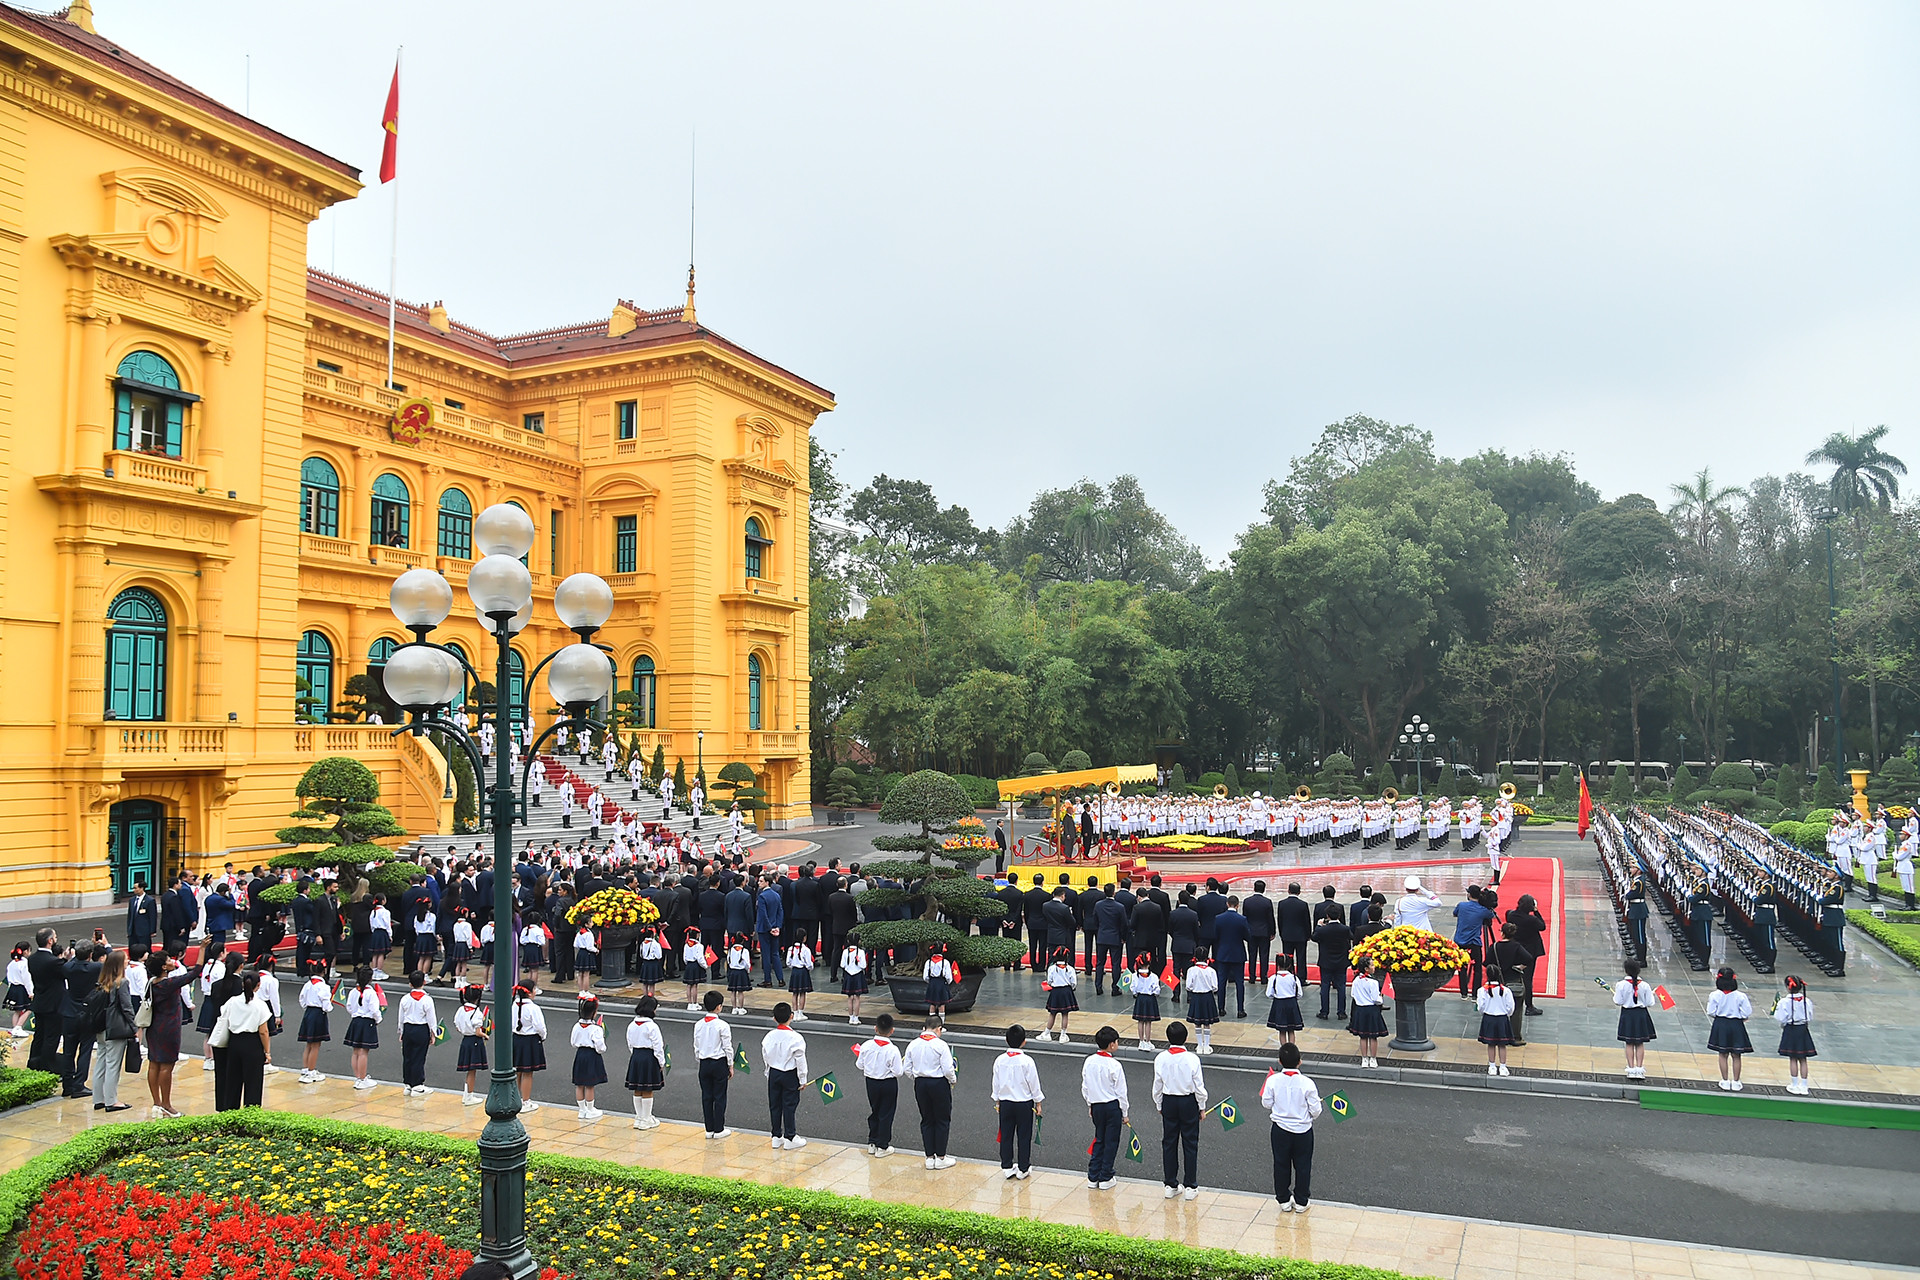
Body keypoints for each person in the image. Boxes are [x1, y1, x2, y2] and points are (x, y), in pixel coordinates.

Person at [1261, 1042, 1321, 1213]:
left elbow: (1266, 1103)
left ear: (1280, 1061)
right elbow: (1316, 1110)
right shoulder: (1307, 1083)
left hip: (1280, 1128)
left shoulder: (1272, 1080)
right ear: (1299, 1061)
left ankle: (1283, 1200)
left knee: (1281, 1163)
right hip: (1303, 1130)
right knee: (1303, 1165)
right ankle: (1302, 1201)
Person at [1151, 1021, 1206, 1200]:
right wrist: (1202, 1106)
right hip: (1188, 1101)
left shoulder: (1160, 1058)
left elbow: (1157, 1085)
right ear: (1186, 1038)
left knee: (1169, 1142)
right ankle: (1190, 1186)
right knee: (1190, 1143)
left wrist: (1159, 1104)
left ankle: (1170, 1184)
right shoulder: (1192, 1059)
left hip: (1169, 1100)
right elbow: (1199, 1086)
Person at [991, 1024, 1043, 1180]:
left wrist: (997, 1100)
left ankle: (1007, 1166)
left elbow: (996, 1082)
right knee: (1024, 1135)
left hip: (1006, 1102)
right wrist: (1038, 1102)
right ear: (1024, 1041)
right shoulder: (1027, 1061)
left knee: (1006, 1134)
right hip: (1024, 1103)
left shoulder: (1000, 1060)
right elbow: (1033, 1083)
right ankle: (1023, 1168)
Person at [1081, 1026, 1130, 1190]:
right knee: (1111, 1141)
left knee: (1099, 1139)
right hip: (1112, 1106)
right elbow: (1121, 1091)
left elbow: (1085, 1086)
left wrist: (1089, 1104)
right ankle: (1106, 1176)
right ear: (1111, 1044)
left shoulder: (1089, 1061)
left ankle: (1093, 1175)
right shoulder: (1114, 1065)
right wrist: (1125, 1112)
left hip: (1096, 1106)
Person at [904, 1017, 957, 1169]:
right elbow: (947, 1068)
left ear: (924, 1028)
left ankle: (929, 1157)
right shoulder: (941, 1045)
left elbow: (906, 1068)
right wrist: (952, 1080)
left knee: (926, 1119)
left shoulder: (913, 1044)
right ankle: (941, 1157)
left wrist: (917, 1077)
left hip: (920, 1083)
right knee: (942, 1119)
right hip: (938, 1083)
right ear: (939, 1028)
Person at [217, 969, 273, 1110]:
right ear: (258, 985)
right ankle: (250, 1118)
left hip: (234, 1042)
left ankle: (230, 1115)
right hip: (252, 1044)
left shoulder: (233, 1001)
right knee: (253, 1084)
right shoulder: (260, 1005)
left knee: (233, 1083)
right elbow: (263, 1031)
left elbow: (224, 1016)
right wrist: (267, 1052)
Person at [88, 951, 137, 1113]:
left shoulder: (102, 983)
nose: (127, 961)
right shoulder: (122, 983)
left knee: (101, 1063)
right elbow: (127, 1008)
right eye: (125, 959)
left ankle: (99, 1099)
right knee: (113, 1065)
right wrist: (134, 1028)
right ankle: (111, 1100)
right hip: (115, 1030)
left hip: (100, 1028)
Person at [855, 1012, 905, 1156]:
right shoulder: (893, 1049)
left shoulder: (866, 1045)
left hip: (871, 1082)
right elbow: (898, 1072)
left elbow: (859, 1065)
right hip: (888, 1083)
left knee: (875, 1110)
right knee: (886, 1113)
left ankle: (872, 1141)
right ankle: (882, 1146)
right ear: (892, 1030)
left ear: (875, 1028)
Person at [762, 1002, 808, 1149]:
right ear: (791, 1016)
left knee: (775, 1104)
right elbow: (800, 1059)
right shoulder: (796, 1038)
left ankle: (776, 1135)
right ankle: (790, 1136)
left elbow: (765, 1055)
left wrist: (768, 1070)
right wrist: (803, 1078)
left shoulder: (769, 1036)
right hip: (789, 1074)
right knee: (789, 1105)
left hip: (774, 1072)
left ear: (774, 1018)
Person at [692, 989, 735, 1139]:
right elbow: (727, 1046)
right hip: (719, 1062)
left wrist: (700, 1059)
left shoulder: (698, 1025)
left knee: (706, 1096)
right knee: (720, 1096)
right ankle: (719, 1128)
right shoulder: (722, 1025)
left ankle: (709, 1128)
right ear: (718, 1007)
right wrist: (730, 1064)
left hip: (704, 1063)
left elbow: (696, 1045)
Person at [1706, 967, 1753, 1091]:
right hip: (1736, 1025)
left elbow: (1711, 1011)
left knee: (1723, 1054)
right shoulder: (1741, 996)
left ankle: (1725, 1081)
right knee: (1736, 1055)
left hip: (1721, 1024)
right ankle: (1736, 1082)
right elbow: (1747, 1012)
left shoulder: (1715, 995)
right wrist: (1741, 1017)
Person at [1613, 959, 1657, 1080]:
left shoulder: (1620, 985)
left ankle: (1631, 1069)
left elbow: (1618, 1001)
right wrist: (1651, 995)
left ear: (1626, 970)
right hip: (1641, 1014)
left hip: (1627, 1014)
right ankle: (1639, 1069)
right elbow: (1650, 1003)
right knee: (1639, 1042)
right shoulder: (1645, 985)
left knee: (1629, 1042)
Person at [1504, 894, 1548, 1016]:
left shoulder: (1511, 915)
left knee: (1513, 976)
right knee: (1527, 979)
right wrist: (1537, 912)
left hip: (1516, 949)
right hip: (1530, 951)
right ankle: (1529, 1006)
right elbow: (1542, 926)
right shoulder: (1531, 920)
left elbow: (1508, 914)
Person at [1774, 975, 1817, 1095]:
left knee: (1793, 1058)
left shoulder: (1784, 1002)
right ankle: (1804, 1085)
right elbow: (1810, 1016)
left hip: (1791, 1029)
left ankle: (1794, 1084)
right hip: (1803, 1029)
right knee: (1803, 1059)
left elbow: (1781, 1018)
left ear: (1788, 987)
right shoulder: (1806, 1001)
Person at [396, 971, 436, 1097]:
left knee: (407, 1056)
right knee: (419, 1056)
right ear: (424, 982)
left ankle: (408, 1084)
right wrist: (433, 1033)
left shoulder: (405, 999)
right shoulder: (427, 999)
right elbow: (431, 1018)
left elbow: (400, 1017)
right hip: (421, 1029)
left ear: (410, 984)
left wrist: (401, 1031)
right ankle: (417, 1085)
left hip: (408, 1028)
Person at [342, 966, 382, 1091]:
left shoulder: (354, 991)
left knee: (355, 1051)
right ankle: (363, 1079)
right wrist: (378, 1019)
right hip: (367, 1021)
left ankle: (358, 1077)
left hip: (356, 1021)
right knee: (363, 1051)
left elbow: (349, 1007)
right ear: (370, 978)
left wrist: (355, 1014)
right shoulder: (371, 993)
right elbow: (375, 1010)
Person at [1452, 887, 1495, 999]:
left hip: (1460, 942)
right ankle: (1475, 994)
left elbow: (1455, 913)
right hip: (1474, 943)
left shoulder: (1461, 905)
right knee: (1478, 969)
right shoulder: (1483, 910)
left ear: (1469, 895)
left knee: (1462, 968)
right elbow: (1491, 915)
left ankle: (1464, 993)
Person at [510, 983, 548, 1110]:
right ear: (530, 992)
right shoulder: (534, 1008)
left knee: (518, 1071)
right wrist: (543, 1037)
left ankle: (515, 1099)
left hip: (516, 1038)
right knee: (527, 1073)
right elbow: (540, 1027)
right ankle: (526, 1102)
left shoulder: (514, 1005)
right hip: (530, 1040)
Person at [570, 993, 608, 1120]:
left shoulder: (576, 1026)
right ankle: (590, 1109)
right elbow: (600, 1047)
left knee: (579, 1083)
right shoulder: (596, 1029)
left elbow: (573, 1043)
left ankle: (582, 1110)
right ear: (594, 1012)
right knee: (590, 1084)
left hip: (580, 1054)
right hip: (592, 1056)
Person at [1213, 897, 1251, 1018]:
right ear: (1237, 905)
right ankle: (1240, 1009)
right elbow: (1248, 937)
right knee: (1239, 982)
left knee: (1221, 982)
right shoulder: (1242, 919)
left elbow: (1215, 936)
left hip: (1223, 954)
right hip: (1238, 954)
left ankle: (1221, 1008)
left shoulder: (1219, 918)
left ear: (1227, 904)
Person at [1476, 975, 1517, 1076]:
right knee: (1502, 1044)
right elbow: (1511, 1007)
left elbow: (1480, 1006)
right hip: (1502, 1019)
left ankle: (1492, 1067)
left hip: (1489, 1018)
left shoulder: (1482, 990)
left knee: (1491, 1043)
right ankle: (1503, 1067)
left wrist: (1485, 1013)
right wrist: (1506, 1014)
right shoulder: (1506, 990)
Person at [1348, 961, 1386, 1067]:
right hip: (1372, 1011)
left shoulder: (1356, 981)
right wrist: (1381, 997)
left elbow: (1353, 995)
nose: (1374, 967)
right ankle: (1373, 1059)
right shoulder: (1373, 982)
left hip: (1360, 1010)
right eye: (1372, 965)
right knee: (1373, 1036)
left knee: (1363, 1036)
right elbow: (1376, 999)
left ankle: (1364, 1059)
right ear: (1366, 969)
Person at [454, 984, 488, 1104]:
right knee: (472, 1070)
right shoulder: (477, 1013)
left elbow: (457, 1025)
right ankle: (469, 1096)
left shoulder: (460, 1009)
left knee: (469, 1069)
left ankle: (467, 1094)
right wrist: (485, 1035)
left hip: (465, 1040)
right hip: (474, 1041)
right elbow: (478, 1032)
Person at [1183, 948, 1220, 1054]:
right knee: (1207, 1023)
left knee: (1197, 1022)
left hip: (1196, 997)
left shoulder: (1191, 970)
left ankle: (1199, 1045)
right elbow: (1215, 987)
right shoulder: (1211, 971)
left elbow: (1188, 986)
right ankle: (1207, 1045)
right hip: (1208, 997)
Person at [1265, 957, 1304, 1046]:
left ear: (1278, 965)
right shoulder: (1294, 978)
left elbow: (1269, 993)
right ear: (1290, 965)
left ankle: (1284, 1049)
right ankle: (1292, 1048)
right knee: (1291, 1029)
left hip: (1279, 1004)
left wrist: (1276, 997)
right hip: (1291, 1004)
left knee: (1282, 1030)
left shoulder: (1273, 978)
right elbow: (1300, 994)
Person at [1275, 885, 1311, 980]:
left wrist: (1282, 933)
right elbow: (1306, 921)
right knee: (1301, 958)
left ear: (1288, 891)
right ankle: (1302, 978)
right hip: (1301, 935)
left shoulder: (1282, 904)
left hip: (1287, 935)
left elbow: (1280, 920)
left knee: (1287, 958)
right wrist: (1308, 934)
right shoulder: (1303, 904)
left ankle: (1289, 977)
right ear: (1299, 892)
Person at [1042, 947, 1078, 1042]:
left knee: (1052, 1013)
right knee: (1065, 1014)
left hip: (1055, 992)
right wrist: (1071, 988)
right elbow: (1073, 983)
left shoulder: (1052, 968)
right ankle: (1063, 1035)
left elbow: (1049, 981)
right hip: (1066, 991)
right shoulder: (1070, 969)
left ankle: (1047, 1033)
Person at [1243, 882, 1276, 983]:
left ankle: (1252, 977)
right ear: (1264, 889)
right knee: (1264, 955)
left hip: (1251, 932)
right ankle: (1263, 977)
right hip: (1264, 932)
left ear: (1254, 888)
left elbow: (1245, 918)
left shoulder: (1247, 901)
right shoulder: (1267, 902)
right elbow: (1270, 919)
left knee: (1252, 955)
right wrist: (1272, 931)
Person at [1130, 953, 1162, 1051]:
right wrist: (1155, 992)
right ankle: (1148, 1042)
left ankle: (1141, 1042)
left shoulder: (1135, 976)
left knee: (1140, 1021)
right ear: (1149, 963)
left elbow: (1133, 988)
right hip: (1150, 999)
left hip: (1140, 999)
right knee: (1148, 1021)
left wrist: (1136, 993)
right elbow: (1157, 990)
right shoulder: (1153, 976)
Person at [840, 939, 870, 1024]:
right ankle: (856, 1018)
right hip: (857, 975)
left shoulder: (845, 951)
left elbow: (842, 964)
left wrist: (848, 968)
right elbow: (864, 966)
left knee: (850, 998)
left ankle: (850, 1018)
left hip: (848, 975)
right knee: (857, 998)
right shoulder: (861, 952)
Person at [125, 882, 159, 959]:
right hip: (133, 931)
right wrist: (129, 929)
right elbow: (130, 916)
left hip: (144, 931)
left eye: (135, 888)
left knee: (145, 949)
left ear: (141, 888)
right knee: (133, 949)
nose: (134, 890)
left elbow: (153, 916)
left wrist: (152, 931)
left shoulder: (149, 900)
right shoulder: (132, 900)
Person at [785, 938, 814, 1020]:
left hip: (794, 971)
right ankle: (800, 1013)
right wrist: (810, 968)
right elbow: (809, 964)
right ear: (804, 938)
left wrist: (793, 967)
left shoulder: (791, 949)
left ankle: (795, 1012)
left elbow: (788, 962)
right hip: (803, 971)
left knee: (795, 993)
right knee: (802, 993)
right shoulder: (806, 950)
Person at [922, 945, 954, 1020]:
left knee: (932, 1004)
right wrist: (947, 983)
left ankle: (931, 1023)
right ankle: (941, 1024)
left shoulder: (928, 962)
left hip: (932, 983)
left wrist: (930, 982)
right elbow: (949, 977)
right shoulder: (945, 962)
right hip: (942, 983)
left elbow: (925, 976)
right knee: (942, 1004)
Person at [726, 935, 754, 1015]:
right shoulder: (744, 950)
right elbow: (747, 963)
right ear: (742, 941)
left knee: (733, 991)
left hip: (732, 971)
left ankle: (734, 1008)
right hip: (741, 972)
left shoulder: (731, 949)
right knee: (740, 991)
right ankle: (741, 1008)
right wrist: (748, 970)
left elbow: (728, 960)